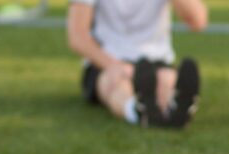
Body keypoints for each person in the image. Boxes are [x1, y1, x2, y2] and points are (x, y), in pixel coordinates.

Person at [66, 0, 207, 128]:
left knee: (167, 79)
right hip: (108, 61)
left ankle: (173, 111)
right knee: (116, 84)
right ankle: (137, 111)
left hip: (156, 60)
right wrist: (114, 65)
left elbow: (197, 21)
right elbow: (78, 37)